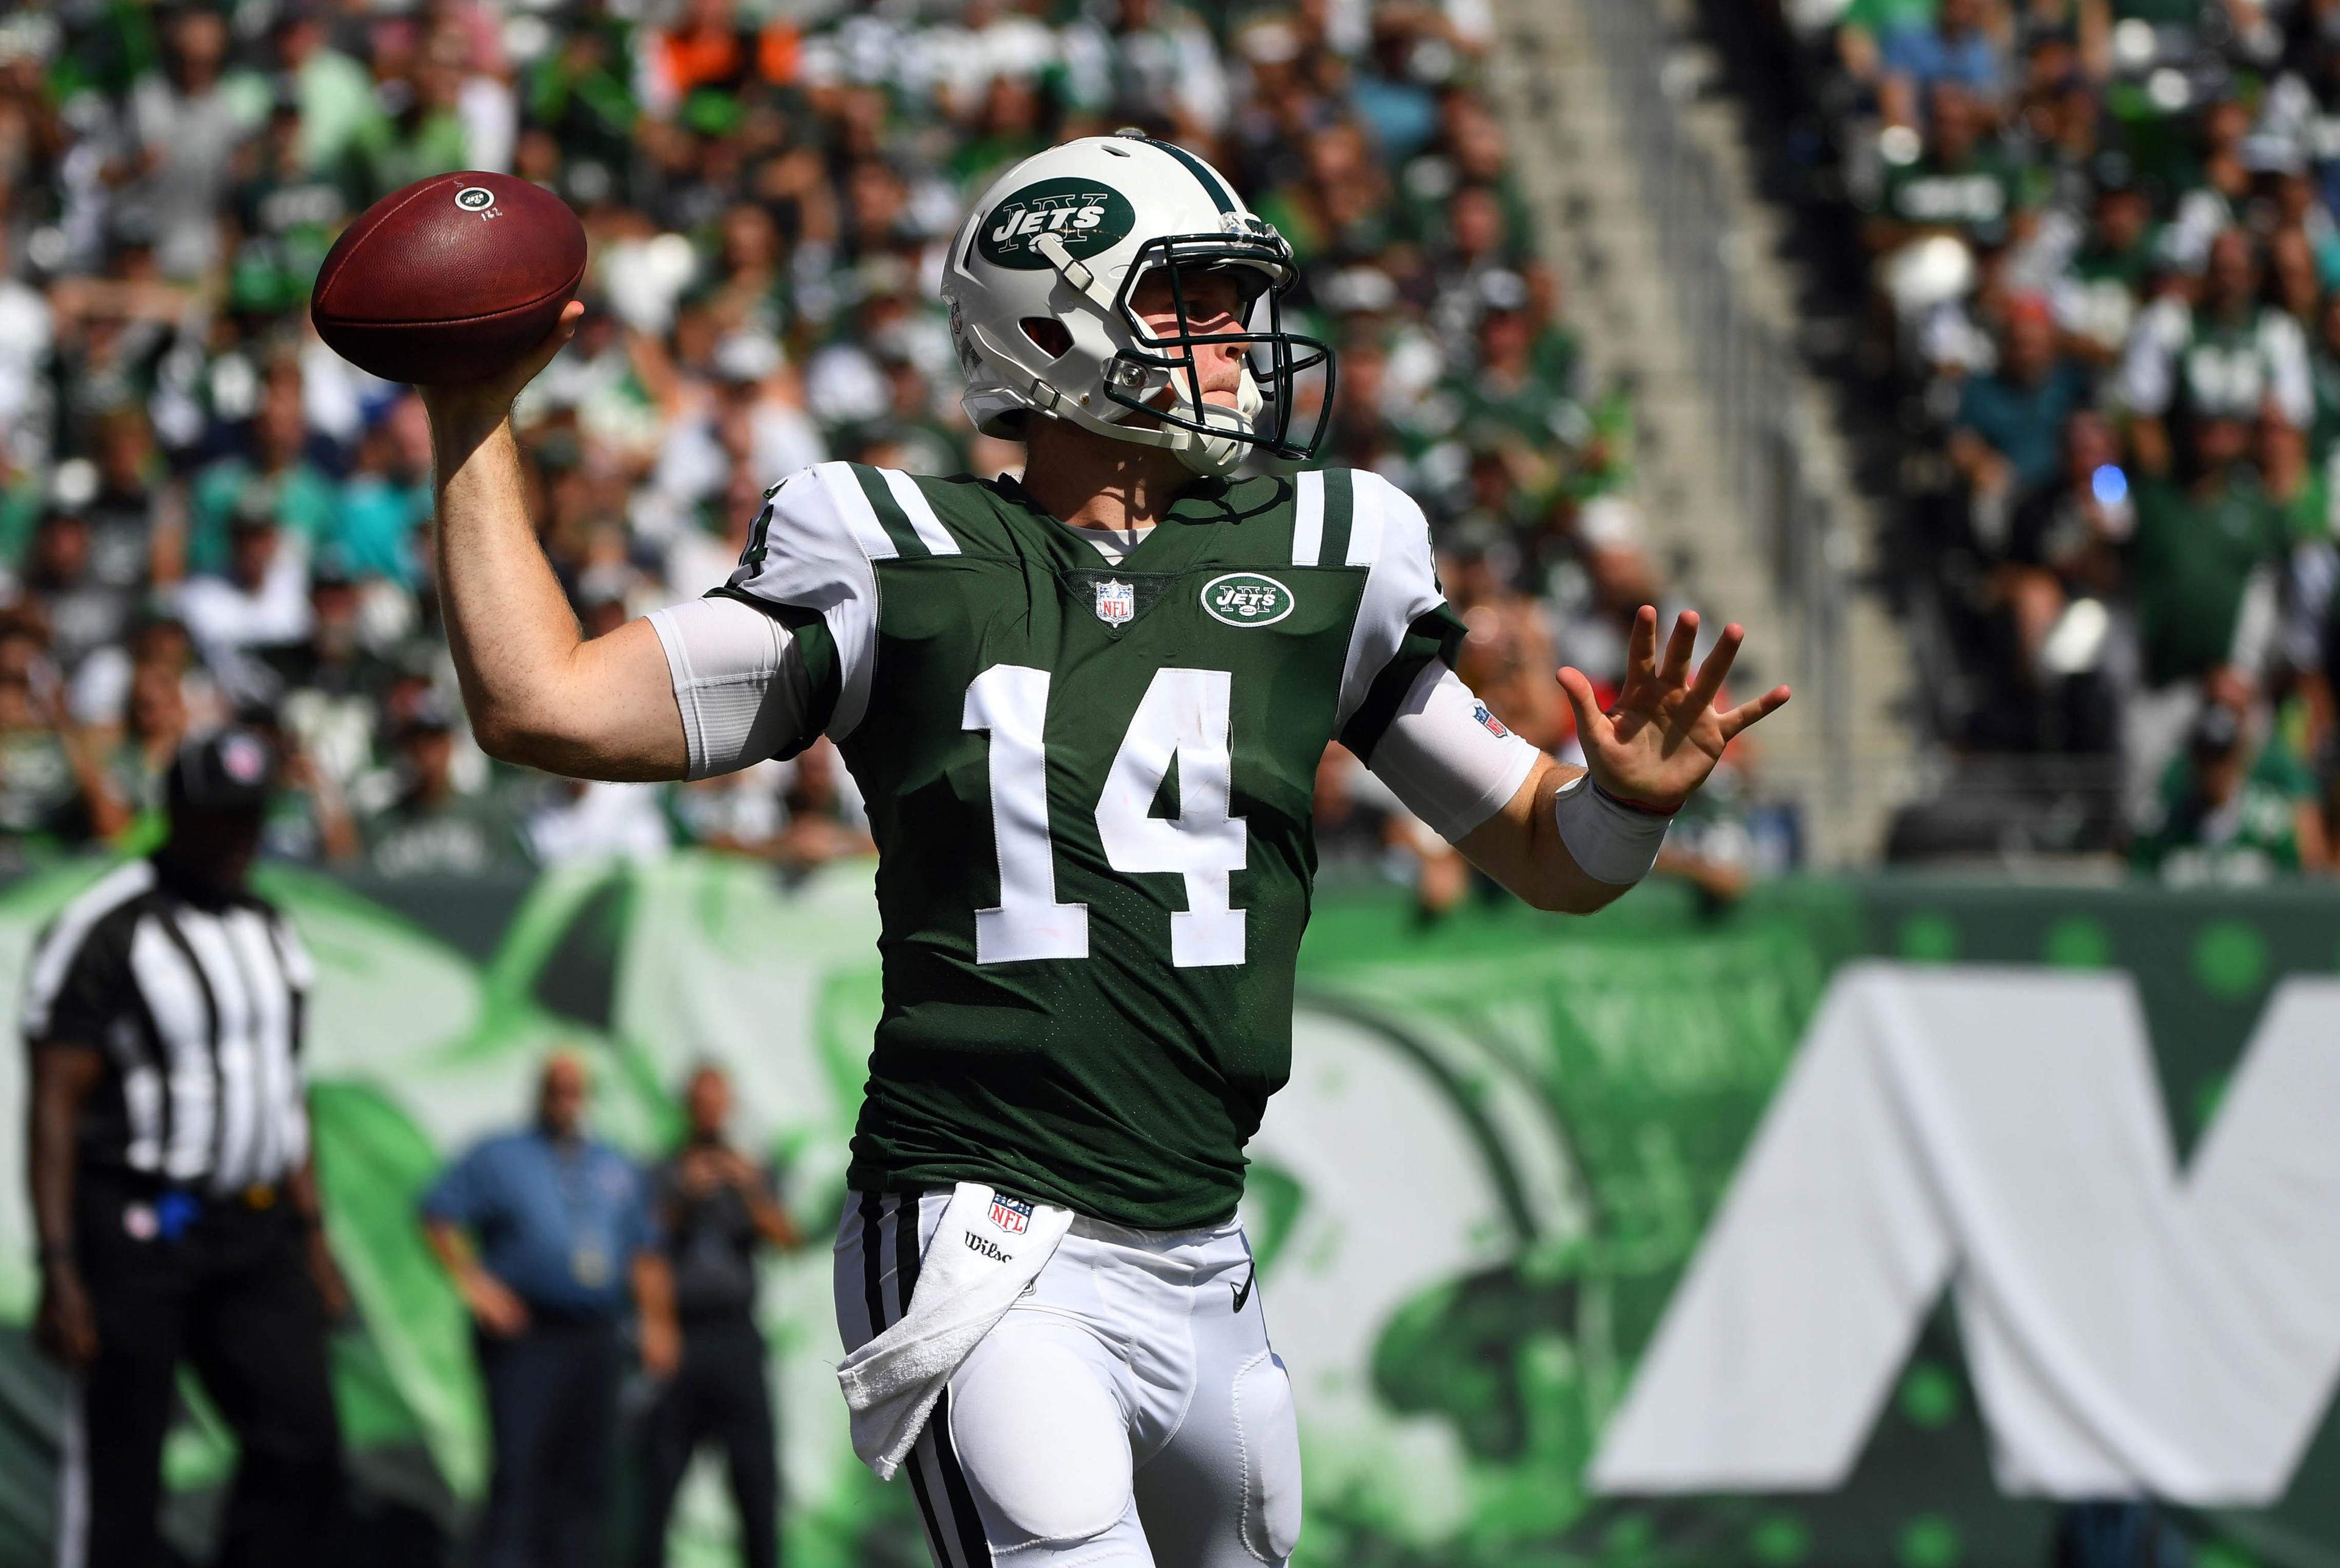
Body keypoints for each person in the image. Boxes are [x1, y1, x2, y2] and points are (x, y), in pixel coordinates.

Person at [416, 132, 1787, 1567]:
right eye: (1190, 299)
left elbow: (1550, 860)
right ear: (1055, 322)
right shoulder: (891, 549)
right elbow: (544, 700)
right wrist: (473, 411)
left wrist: (1625, 800)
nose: (1239, 342)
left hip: (1202, 1243)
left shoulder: (1325, 549)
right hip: (984, 1226)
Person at [21, 728, 347, 1568]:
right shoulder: (108, 925)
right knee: (123, 1466)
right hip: (141, 1226)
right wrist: (59, 1265)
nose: (239, 840)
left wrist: (315, 1237)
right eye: (220, 821)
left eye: (251, 820)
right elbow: (55, 1101)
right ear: (177, 817)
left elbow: (283, 1087)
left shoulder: (268, 924)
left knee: (303, 1444)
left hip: (257, 1225)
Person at [421, 1053, 679, 1568]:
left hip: (598, 1338)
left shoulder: (612, 1164)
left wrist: (659, 1322)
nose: (565, 1097)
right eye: (556, 1086)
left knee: (586, 1478)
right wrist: (478, 1287)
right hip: (529, 1337)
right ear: (539, 1090)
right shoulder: (501, 1154)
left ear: (586, 1095)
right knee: (520, 1472)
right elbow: (438, 1214)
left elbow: (644, 1251)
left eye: (575, 1088)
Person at [637, 1064, 801, 1568]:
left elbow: (785, 1238)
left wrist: (747, 1188)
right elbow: (643, 1247)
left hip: (736, 1337)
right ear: (688, 1105)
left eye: (717, 1100)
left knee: (755, 1480)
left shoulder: (750, 1171)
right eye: (700, 1100)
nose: (709, 1111)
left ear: (728, 1106)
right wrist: (683, 1196)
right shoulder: (662, 1171)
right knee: (659, 1480)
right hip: (682, 1337)